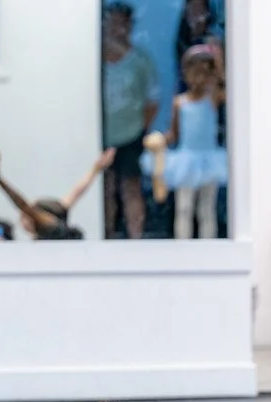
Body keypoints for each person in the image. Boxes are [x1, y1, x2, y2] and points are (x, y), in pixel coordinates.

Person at [141, 44, 227, 240]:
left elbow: (226, 85)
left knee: (206, 209)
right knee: (184, 208)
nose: (199, 77)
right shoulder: (180, 102)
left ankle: (208, 247)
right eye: (195, 72)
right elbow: (175, 133)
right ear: (186, 74)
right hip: (185, 161)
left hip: (209, 160)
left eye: (205, 72)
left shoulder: (212, 98)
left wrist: (218, 58)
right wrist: (160, 140)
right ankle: (183, 246)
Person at [101, 3, 159, 240]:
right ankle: (106, 234)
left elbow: (152, 100)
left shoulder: (141, 61)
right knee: (105, 189)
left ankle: (136, 239)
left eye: (123, 23)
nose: (118, 29)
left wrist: (141, 131)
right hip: (99, 135)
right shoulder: (92, 59)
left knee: (131, 188)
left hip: (131, 135)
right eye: (113, 22)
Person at [0, 150, 112, 240]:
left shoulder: (48, 224)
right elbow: (77, 191)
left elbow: (21, 204)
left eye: (23, 217)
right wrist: (95, 169)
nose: (20, 222)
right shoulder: (59, 213)